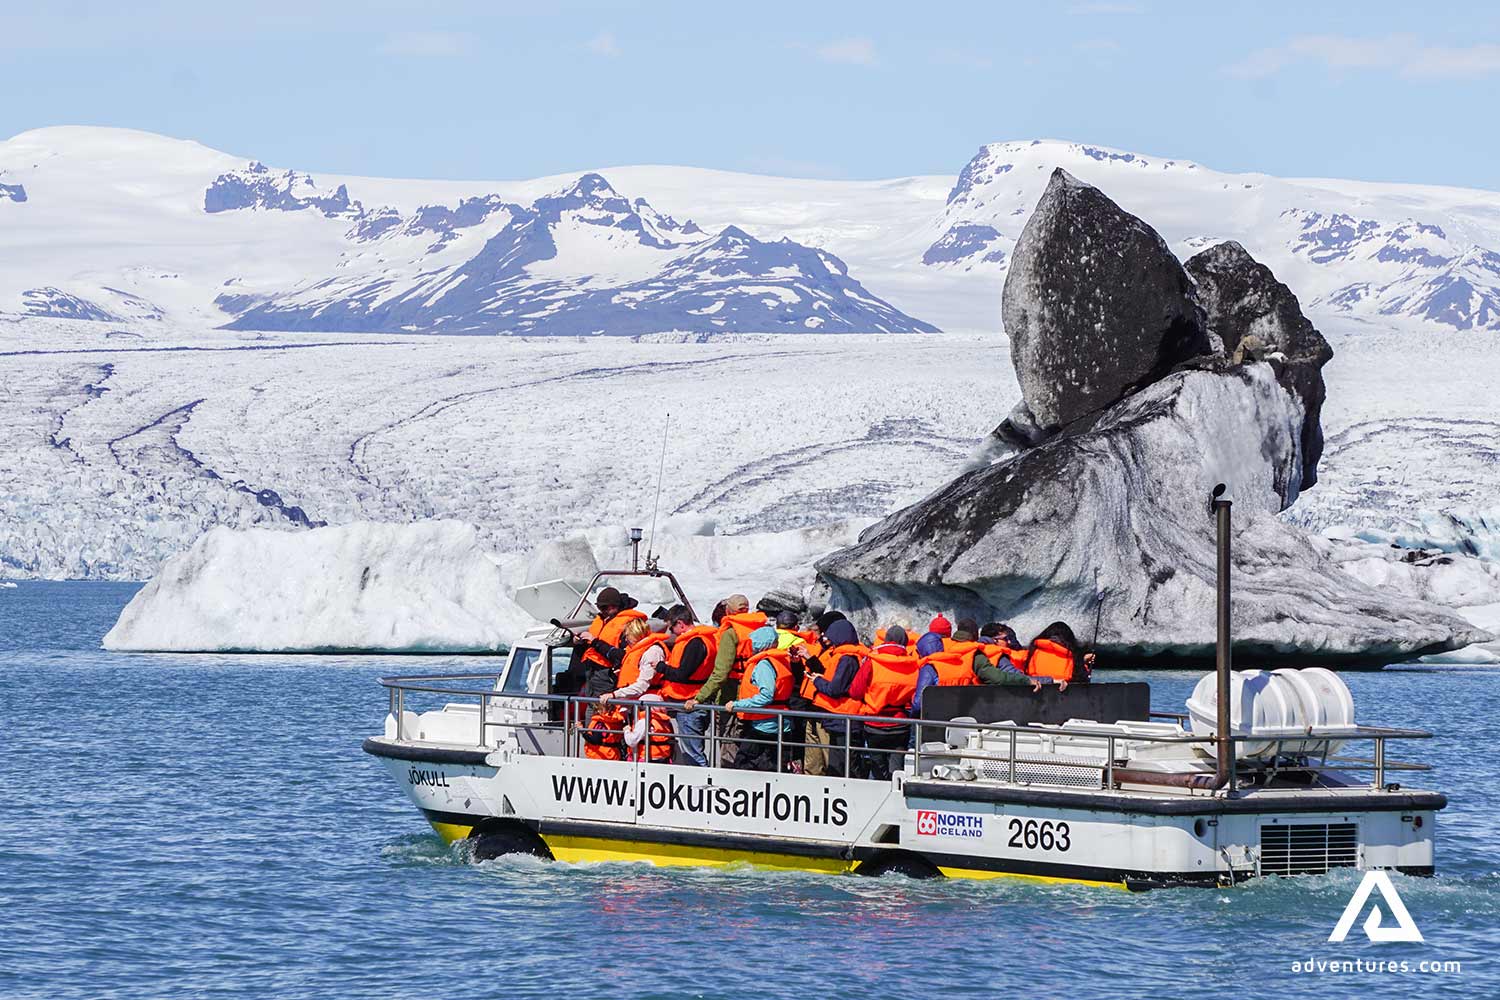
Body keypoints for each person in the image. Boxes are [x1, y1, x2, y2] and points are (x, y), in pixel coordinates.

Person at [683, 594, 767, 764]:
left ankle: (730, 783)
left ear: (728, 610)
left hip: (733, 695)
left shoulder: (731, 633)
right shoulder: (761, 628)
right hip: (758, 694)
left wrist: (699, 697)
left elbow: (721, 673)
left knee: (729, 744)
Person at [849, 625, 920, 780]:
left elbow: (855, 692)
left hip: (874, 724)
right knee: (897, 770)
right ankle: (896, 796)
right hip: (900, 724)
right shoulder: (913, 664)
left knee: (877, 767)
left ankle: (878, 795)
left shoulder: (872, 661)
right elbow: (916, 698)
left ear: (886, 640)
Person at [656, 606, 720, 766]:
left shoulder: (695, 644)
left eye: (672, 628)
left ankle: (703, 787)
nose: (671, 632)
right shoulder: (707, 639)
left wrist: (662, 667)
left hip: (689, 705)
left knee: (693, 754)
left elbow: (683, 674)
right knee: (692, 751)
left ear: (681, 624)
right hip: (693, 701)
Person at [725, 626, 794, 771]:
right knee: (774, 765)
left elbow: (766, 696)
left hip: (765, 726)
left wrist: (739, 704)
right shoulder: (780, 660)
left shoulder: (764, 665)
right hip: (780, 723)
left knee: (744, 763)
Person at [803, 618, 866, 778]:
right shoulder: (846, 656)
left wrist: (817, 680)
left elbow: (835, 689)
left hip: (843, 716)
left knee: (844, 765)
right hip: (839, 717)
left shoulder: (847, 659)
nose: (826, 639)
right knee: (838, 764)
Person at [572, 586, 647, 698]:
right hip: (592, 669)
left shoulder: (628, 624)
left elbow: (624, 655)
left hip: (607, 672)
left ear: (613, 606)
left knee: (602, 707)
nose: (602, 611)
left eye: (603, 608)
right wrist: (579, 641)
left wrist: (595, 642)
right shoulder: (602, 619)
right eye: (600, 608)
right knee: (591, 703)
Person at [603, 618, 668, 704]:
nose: (625, 640)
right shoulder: (637, 650)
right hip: (634, 700)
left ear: (635, 634)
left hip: (648, 702)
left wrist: (614, 694)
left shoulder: (652, 652)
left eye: (627, 636)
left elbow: (642, 686)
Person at [1020, 621, 1096, 689]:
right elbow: (1082, 680)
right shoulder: (1072, 657)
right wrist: (1082, 663)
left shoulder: (1032, 652)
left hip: (1036, 692)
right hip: (1063, 695)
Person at [622, 693, 675, 763]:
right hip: (664, 759)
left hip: (646, 760)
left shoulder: (644, 721)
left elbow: (631, 741)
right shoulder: (665, 722)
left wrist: (627, 731)